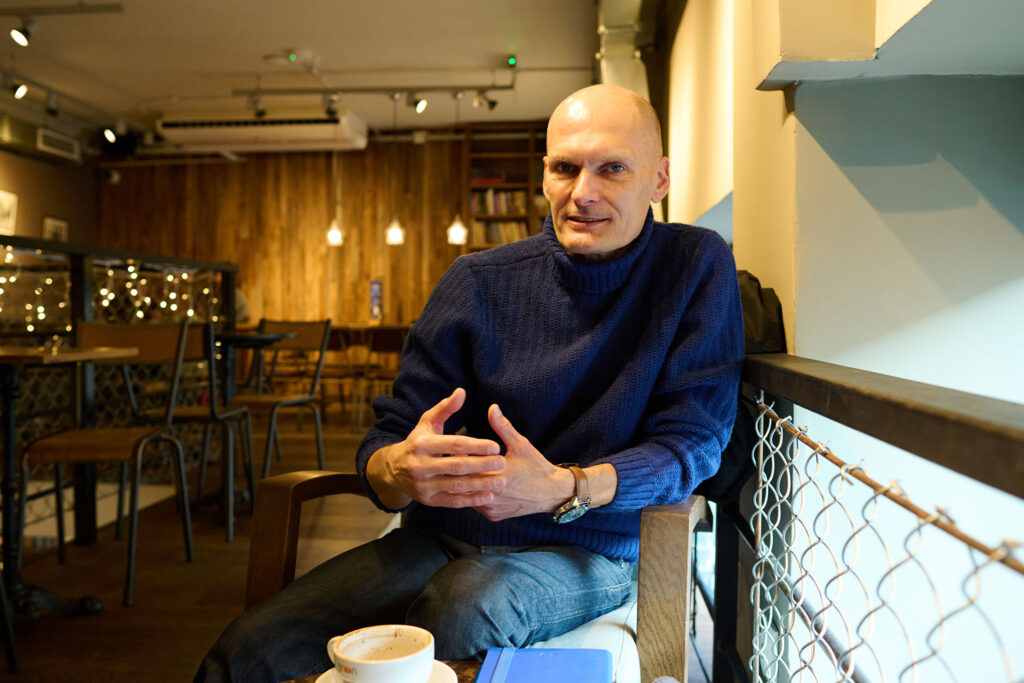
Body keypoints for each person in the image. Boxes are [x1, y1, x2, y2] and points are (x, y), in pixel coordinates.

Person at [194, 82, 744, 682]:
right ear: (544, 175)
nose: (583, 193)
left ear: (659, 179)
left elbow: (693, 443)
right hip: (442, 536)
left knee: (461, 605)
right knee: (245, 650)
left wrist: (564, 487)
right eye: (565, 168)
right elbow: (388, 441)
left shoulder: (694, 264)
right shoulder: (477, 281)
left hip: (588, 546)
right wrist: (399, 467)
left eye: (613, 169)